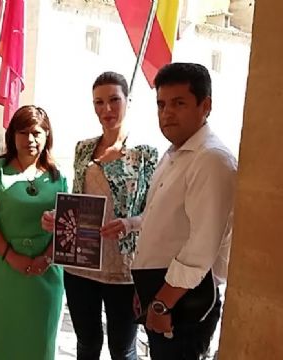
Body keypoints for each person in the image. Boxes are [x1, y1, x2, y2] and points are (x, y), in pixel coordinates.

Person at [41, 71, 157, 360]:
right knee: (88, 343)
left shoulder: (146, 153)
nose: (106, 109)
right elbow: (79, 201)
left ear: (128, 101)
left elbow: (156, 213)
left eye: (114, 100)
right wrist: (59, 218)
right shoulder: (83, 149)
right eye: (99, 102)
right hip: (80, 263)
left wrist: (130, 224)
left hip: (125, 269)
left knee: (122, 348)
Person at [131, 62, 237, 359]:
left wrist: (162, 303)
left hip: (185, 301)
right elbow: (161, 225)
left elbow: (200, 249)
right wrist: (146, 295)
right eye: (161, 104)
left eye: (179, 103)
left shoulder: (211, 160)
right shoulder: (176, 153)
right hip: (162, 293)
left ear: (205, 106)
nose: (167, 113)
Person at [0, 105, 68, 360]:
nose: (30, 139)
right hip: (1, 269)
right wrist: (11, 256)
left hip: (45, 273)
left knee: (38, 345)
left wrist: (46, 258)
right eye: (23, 132)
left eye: (36, 132)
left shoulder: (59, 177)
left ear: (47, 135)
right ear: (13, 136)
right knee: (0, 345)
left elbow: (67, 225)